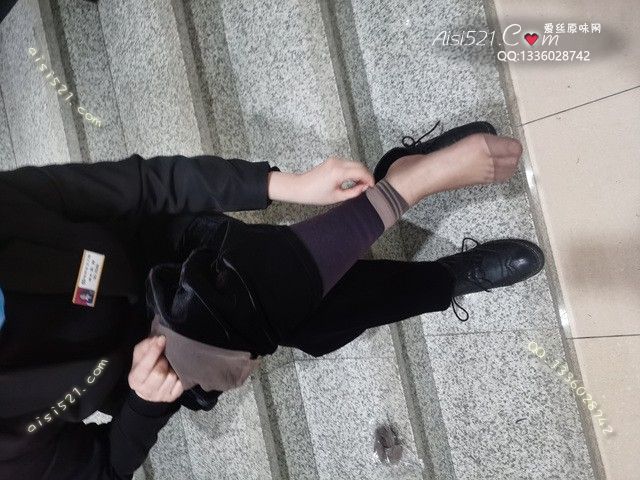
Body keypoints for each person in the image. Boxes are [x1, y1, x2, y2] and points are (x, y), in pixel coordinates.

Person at [0, 121, 542, 479]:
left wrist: (288, 185)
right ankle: (402, 187)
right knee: (237, 316)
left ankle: (428, 254)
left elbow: (146, 184)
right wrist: (144, 402)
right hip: (157, 358)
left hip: (160, 251)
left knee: (284, 310)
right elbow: (104, 469)